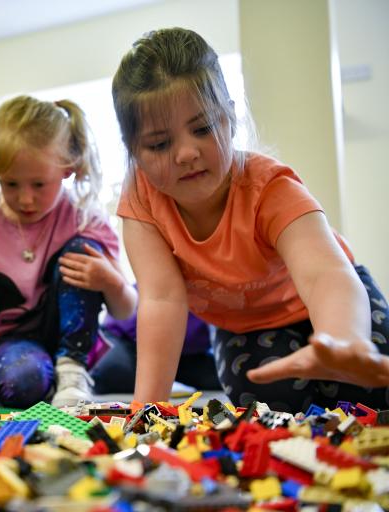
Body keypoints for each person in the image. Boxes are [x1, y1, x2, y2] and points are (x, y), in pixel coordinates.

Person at [112, 27, 389, 412]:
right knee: (266, 403)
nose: (187, 153)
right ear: (134, 151)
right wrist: (146, 409)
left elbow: (325, 274)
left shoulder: (269, 186)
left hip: (328, 303)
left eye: (203, 128)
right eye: (160, 144)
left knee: (368, 382)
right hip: (247, 327)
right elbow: (161, 299)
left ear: (229, 116)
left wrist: (341, 339)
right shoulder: (141, 197)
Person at [0, 95, 137, 409]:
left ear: (67, 169)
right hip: (11, 343)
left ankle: (72, 372)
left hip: (75, 343)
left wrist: (111, 283)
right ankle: (54, 384)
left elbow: (125, 310)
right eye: (11, 184)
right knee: (24, 383)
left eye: (39, 184)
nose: (25, 200)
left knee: (83, 251)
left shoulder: (84, 217)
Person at [91, 306, 221, 394]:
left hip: (188, 353)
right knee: (110, 371)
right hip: (127, 339)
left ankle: (168, 379)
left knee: (219, 378)